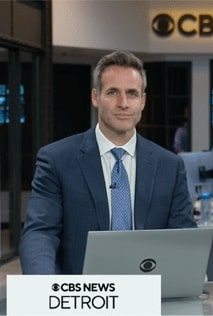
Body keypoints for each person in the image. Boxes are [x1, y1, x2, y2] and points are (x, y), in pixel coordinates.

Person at [19, 51, 197, 274]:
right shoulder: (56, 160)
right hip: (84, 299)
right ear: (95, 97)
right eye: (113, 92)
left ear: (142, 101)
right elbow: (40, 233)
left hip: (148, 297)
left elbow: (184, 238)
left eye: (132, 94)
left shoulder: (170, 166)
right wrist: (46, 290)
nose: (123, 103)